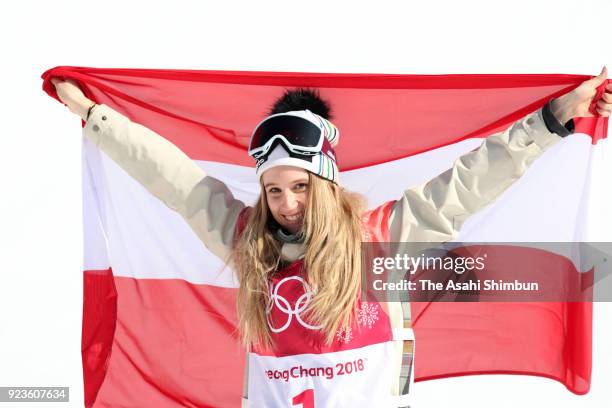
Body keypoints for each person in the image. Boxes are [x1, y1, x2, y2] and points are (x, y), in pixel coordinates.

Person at [51, 70, 611, 407]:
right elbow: (174, 179)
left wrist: (556, 118)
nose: (286, 204)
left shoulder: (382, 239)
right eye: (272, 191)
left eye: (299, 187)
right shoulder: (250, 245)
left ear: (324, 182)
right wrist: (95, 115)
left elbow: (470, 182)